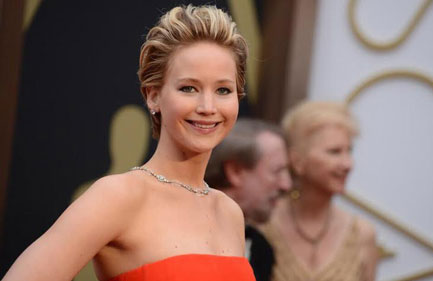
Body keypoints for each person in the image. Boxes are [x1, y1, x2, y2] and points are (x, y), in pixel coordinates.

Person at [3, 5, 255, 281]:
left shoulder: (229, 212)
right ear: (153, 96)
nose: (208, 106)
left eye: (223, 90)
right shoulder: (119, 197)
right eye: (188, 88)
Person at [260, 101, 378, 281]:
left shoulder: (362, 234)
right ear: (297, 161)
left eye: (349, 151)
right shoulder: (263, 226)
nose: (348, 164)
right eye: (334, 152)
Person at [205, 118, 292, 281]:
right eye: (277, 171)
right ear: (236, 171)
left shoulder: (262, 250)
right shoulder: (176, 233)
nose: (286, 185)